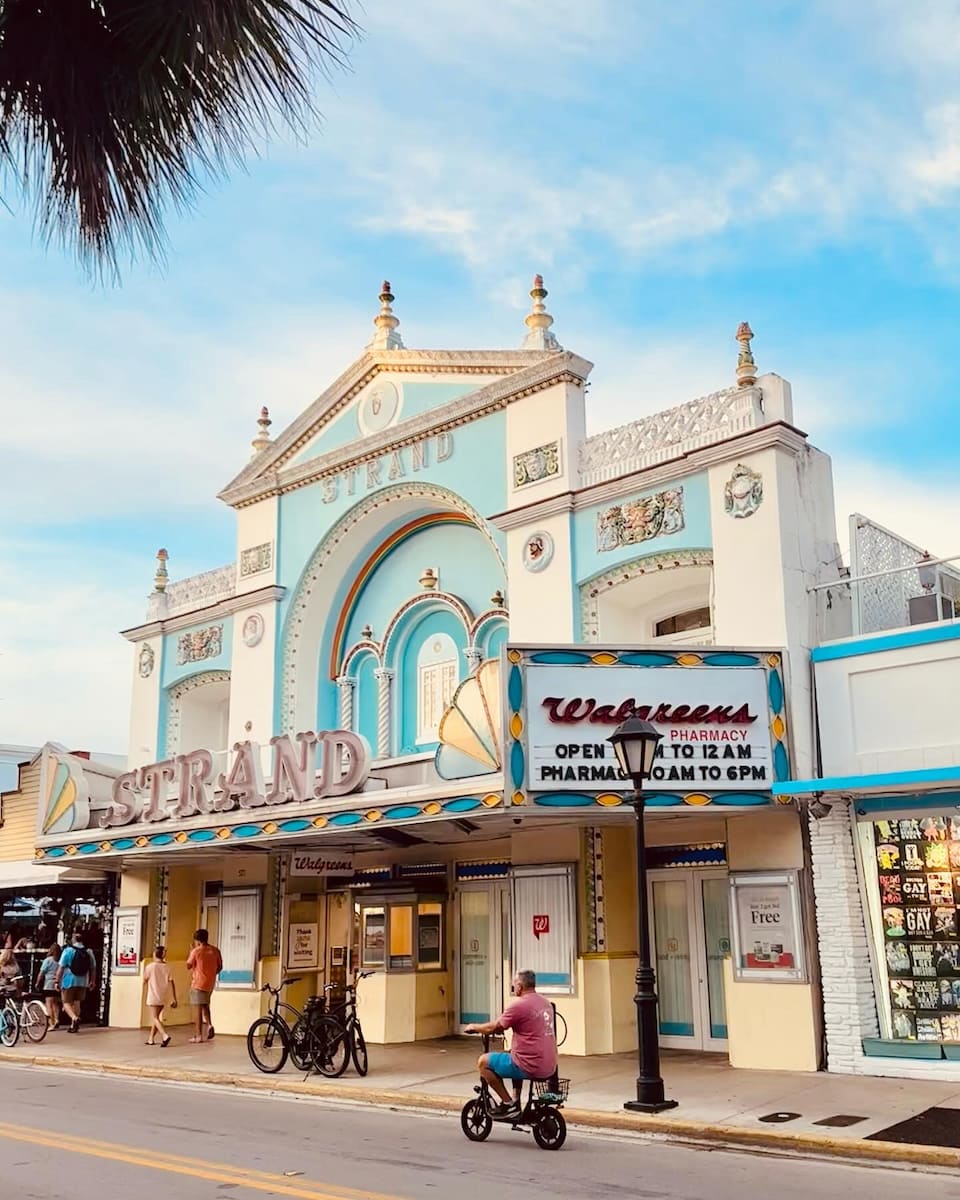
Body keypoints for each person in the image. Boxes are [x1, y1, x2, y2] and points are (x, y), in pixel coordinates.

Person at [464, 969, 559, 1119]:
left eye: (514, 984)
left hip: (530, 1065)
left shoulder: (519, 1005)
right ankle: (516, 1100)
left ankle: (508, 1104)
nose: (513, 987)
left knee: (483, 1062)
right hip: (550, 1066)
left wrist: (474, 1027)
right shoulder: (545, 1003)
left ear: (520, 986)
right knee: (512, 1055)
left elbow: (495, 1026)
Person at [186, 929, 222, 1043]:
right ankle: (210, 1025)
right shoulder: (215, 950)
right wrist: (211, 973)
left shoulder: (196, 951)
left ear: (197, 940)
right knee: (205, 1005)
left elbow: (188, 965)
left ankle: (198, 1035)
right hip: (210, 983)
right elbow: (220, 967)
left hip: (198, 983)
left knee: (197, 1009)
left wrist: (191, 951)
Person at [56, 931, 96, 1033]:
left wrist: (57, 981)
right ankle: (73, 1025)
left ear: (73, 940)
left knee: (66, 1003)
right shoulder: (89, 951)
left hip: (69, 981)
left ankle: (74, 1018)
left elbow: (61, 968)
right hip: (83, 981)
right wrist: (92, 981)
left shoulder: (68, 951)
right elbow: (93, 968)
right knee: (77, 1002)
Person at [143, 945, 177, 1047]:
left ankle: (164, 1035)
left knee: (154, 1018)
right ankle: (151, 1039)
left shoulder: (150, 967)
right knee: (156, 1018)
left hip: (153, 995)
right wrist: (174, 997)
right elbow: (172, 983)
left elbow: (144, 980)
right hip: (163, 995)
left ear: (154, 954)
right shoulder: (167, 967)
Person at [35, 944, 62, 1029]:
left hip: (49, 984)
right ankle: (57, 1019)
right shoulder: (60, 960)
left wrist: (37, 982)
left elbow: (41, 973)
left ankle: (51, 1023)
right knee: (55, 1003)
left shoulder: (48, 960)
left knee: (49, 1004)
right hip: (58, 983)